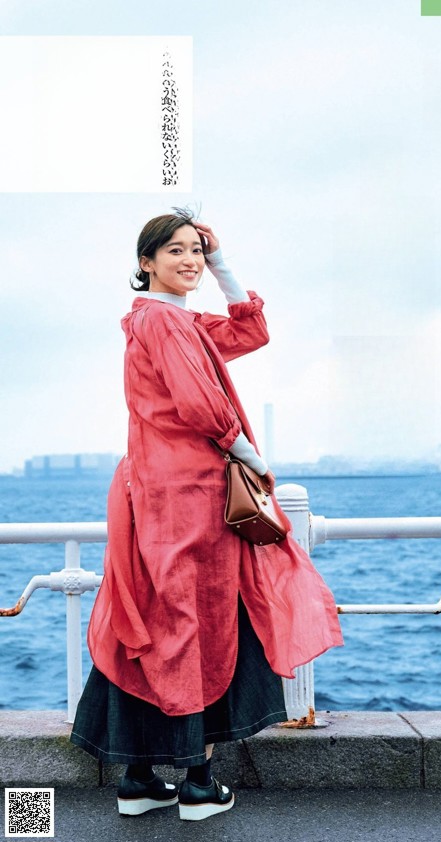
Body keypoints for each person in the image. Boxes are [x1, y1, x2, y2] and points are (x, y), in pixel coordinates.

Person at [70, 207, 343, 821]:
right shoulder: (168, 325)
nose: (189, 260)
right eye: (176, 252)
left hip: (155, 490)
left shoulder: (167, 321)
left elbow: (251, 332)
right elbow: (201, 404)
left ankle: (139, 779)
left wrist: (223, 262)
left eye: (196, 250)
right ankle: (196, 781)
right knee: (199, 621)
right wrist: (250, 456)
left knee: (150, 620)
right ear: (146, 263)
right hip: (189, 494)